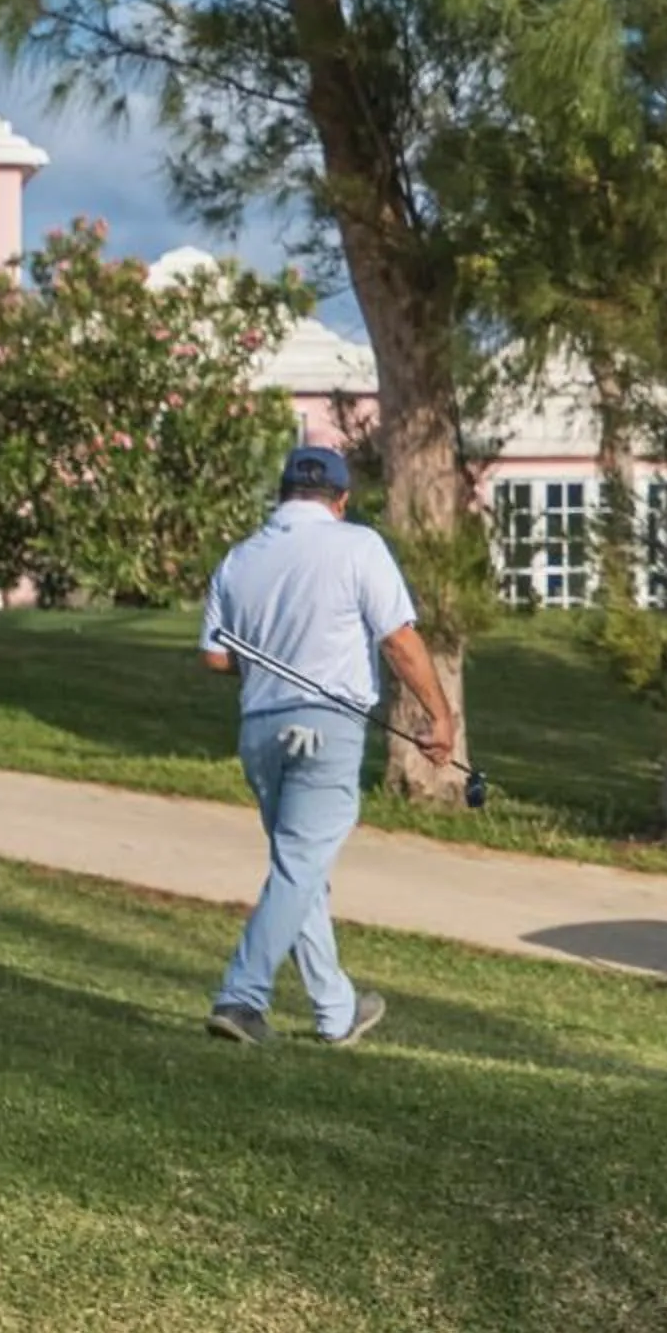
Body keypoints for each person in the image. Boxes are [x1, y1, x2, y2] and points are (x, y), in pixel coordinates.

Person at [198, 444, 455, 1047]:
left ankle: (335, 1011)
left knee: (298, 865)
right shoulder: (358, 545)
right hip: (329, 725)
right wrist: (439, 717)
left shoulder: (240, 558)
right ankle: (242, 997)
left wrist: (274, 665)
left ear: (284, 494)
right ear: (340, 501)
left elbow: (215, 655)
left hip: (260, 725)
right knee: (300, 863)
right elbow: (398, 640)